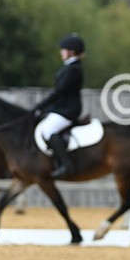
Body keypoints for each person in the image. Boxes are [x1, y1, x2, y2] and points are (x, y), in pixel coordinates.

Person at [33, 34, 86, 179]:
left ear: (71, 52)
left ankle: (66, 164)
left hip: (68, 110)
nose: (61, 52)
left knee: (48, 130)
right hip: (61, 108)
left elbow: (59, 92)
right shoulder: (69, 68)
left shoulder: (73, 70)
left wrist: (39, 106)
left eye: (64, 50)